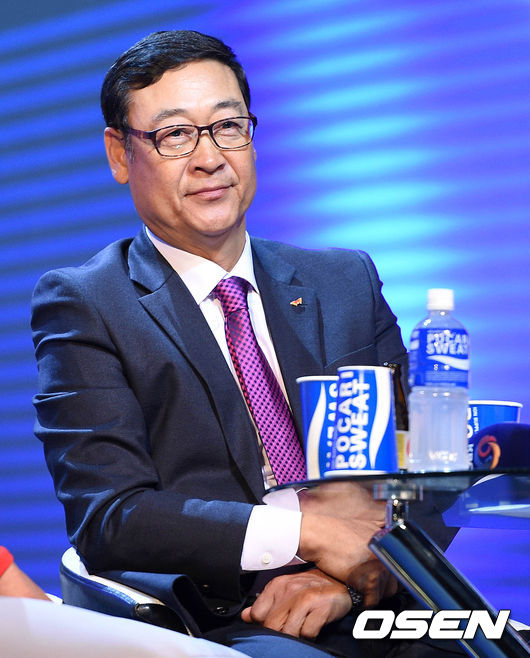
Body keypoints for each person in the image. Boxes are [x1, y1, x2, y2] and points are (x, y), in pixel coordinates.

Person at [31, 30, 456, 657]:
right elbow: (110, 516)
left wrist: (348, 579)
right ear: (120, 155)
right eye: (175, 135)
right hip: (227, 619)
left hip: (377, 598)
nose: (210, 158)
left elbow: (429, 466)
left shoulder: (345, 280)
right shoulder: (89, 303)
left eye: (228, 126)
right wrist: (305, 534)